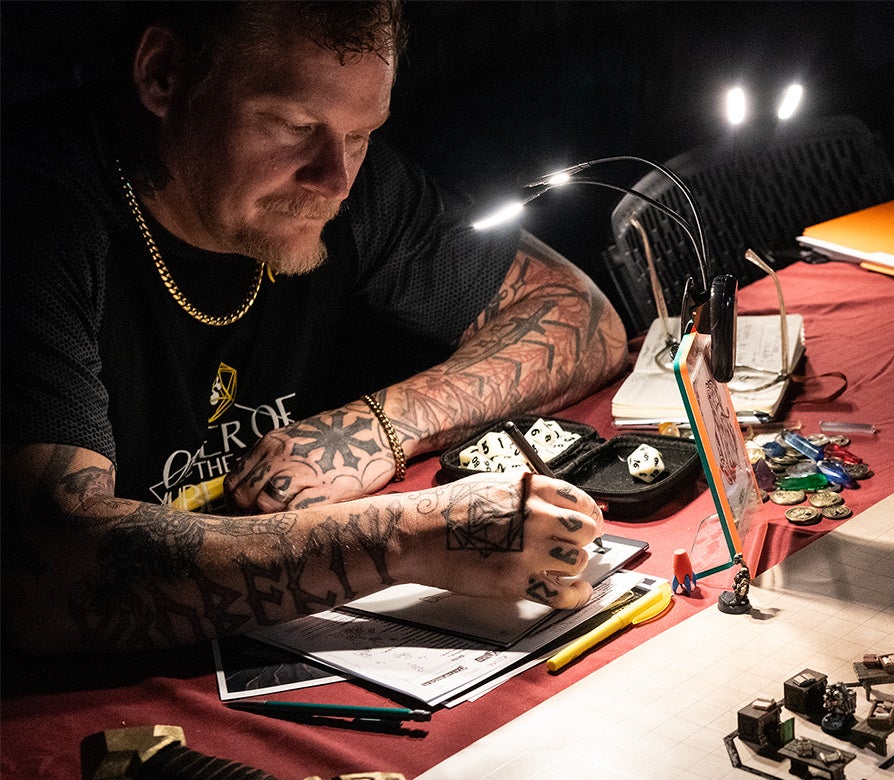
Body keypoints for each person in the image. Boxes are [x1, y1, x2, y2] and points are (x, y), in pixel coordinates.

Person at [2, 2, 628, 653]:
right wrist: (409, 537)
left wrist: (373, 428)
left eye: (362, 134)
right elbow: (51, 572)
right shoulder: (32, 221)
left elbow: (576, 311)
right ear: (164, 77)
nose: (336, 179)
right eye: (294, 124)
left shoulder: (350, 187)